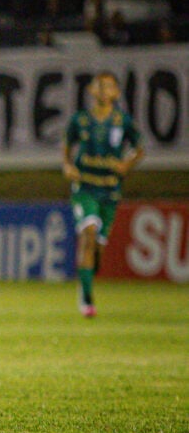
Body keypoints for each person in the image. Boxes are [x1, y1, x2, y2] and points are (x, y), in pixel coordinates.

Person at [62, 71, 144, 318]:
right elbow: (67, 146)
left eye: (108, 86)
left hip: (109, 189)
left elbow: (139, 149)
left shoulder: (122, 121)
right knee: (88, 235)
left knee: (97, 247)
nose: (103, 90)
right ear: (91, 90)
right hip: (85, 187)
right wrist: (67, 165)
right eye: (99, 86)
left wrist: (127, 165)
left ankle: (87, 276)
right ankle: (87, 300)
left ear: (116, 93)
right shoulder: (80, 120)